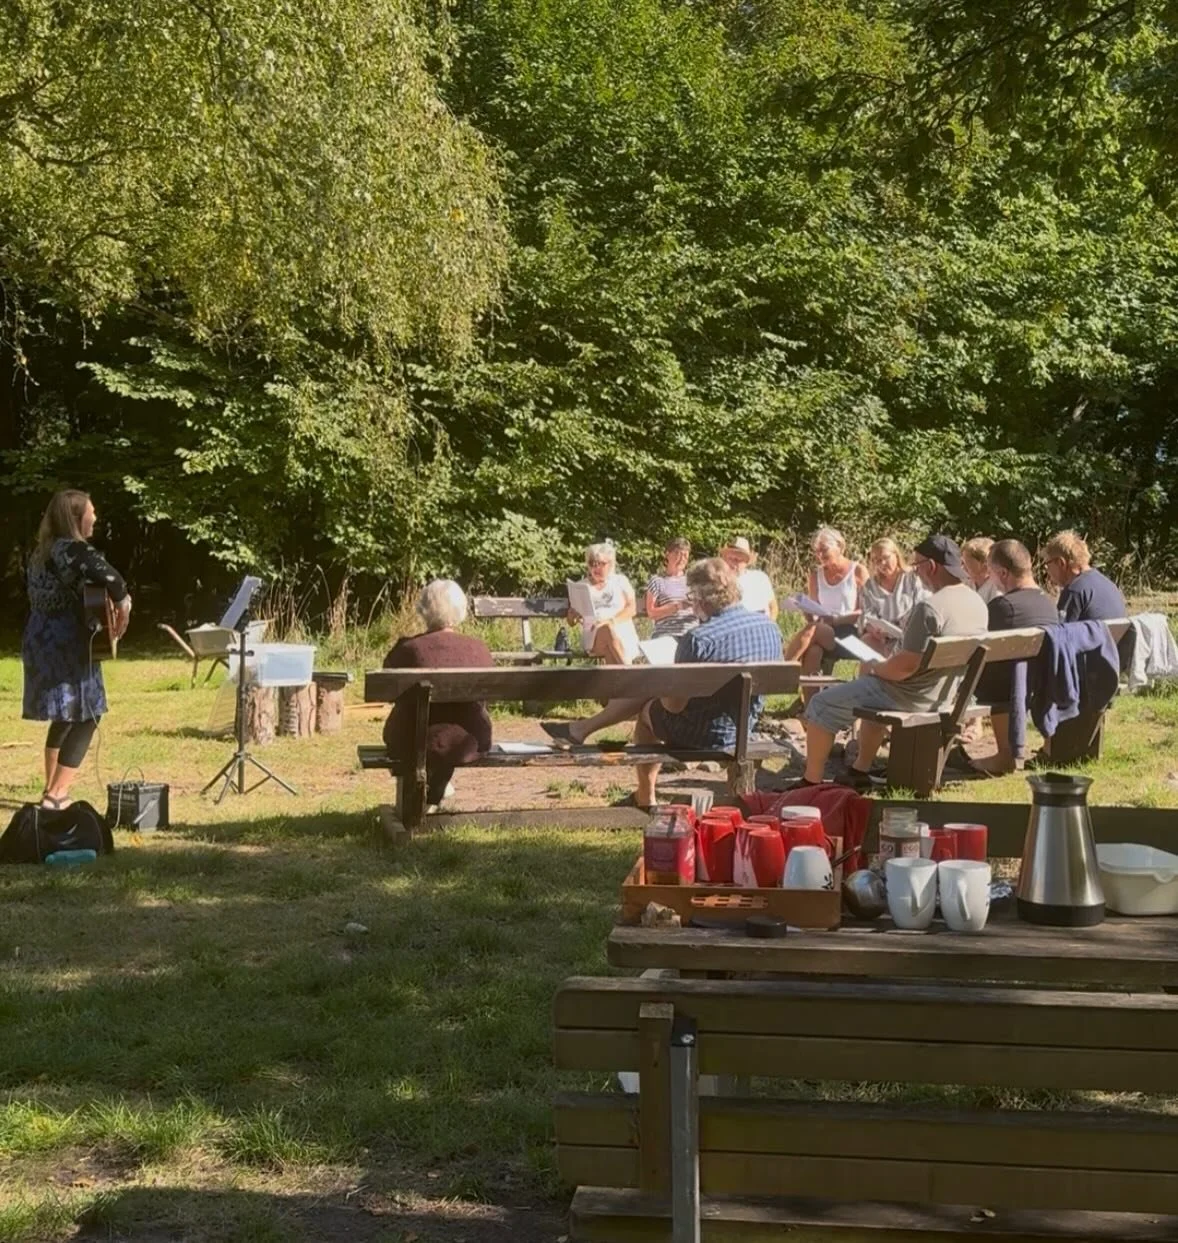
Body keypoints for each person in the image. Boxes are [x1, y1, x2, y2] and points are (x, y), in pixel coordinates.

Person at [541, 558, 783, 809]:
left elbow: (674, 707)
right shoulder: (769, 628)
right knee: (654, 685)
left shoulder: (699, 639)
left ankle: (644, 795)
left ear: (699, 598)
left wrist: (661, 685)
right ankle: (580, 729)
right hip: (743, 727)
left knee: (648, 709)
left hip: (703, 733)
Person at [798, 534, 988, 790]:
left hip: (910, 695)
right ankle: (859, 770)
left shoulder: (930, 608)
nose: (915, 571)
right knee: (868, 687)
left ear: (931, 567)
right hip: (945, 692)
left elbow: (903, 669)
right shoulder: (976, 602)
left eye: (918, 565)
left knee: (821, 704)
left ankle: (810, 781)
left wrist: (876, 667)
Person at [22, 489, 131, 810]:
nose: (95, 518)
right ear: (76, 518)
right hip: (68, 642)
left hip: (40, 639)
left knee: (64, 715)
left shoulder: (41, 551)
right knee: (88, 715)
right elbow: (113, 579)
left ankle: (50, 788)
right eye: (91, 512)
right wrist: (124, 605)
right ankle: (57, 796)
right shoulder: (73, 550)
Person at [382, 580, 492, 811]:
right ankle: (433, 794)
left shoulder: (408, 649)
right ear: (461, 610)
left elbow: (389, 691)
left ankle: (421, 802)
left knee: (422, 728)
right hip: (470, 739)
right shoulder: (478, 649)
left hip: (412, 739)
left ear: (423, 610)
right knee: (450, 728)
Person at [971, 540, 1062, 776]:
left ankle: (1005, 754)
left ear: (1003, 572)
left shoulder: (1002, 607)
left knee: (986, 675)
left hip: (1009, 687)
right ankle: (1050, 746)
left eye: (990, 572)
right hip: (1043, 682)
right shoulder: (1048, 604)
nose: (990, 578)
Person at [783, 527, 868, 673]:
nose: (820, 555)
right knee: (813, 651)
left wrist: (835, 620)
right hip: (823, 629)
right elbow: (814, 610)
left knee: (812, 630)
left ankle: (780, 670)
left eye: (824, 549)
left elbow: (865, 611)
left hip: (849, 630)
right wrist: (806, 610)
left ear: (839, 546)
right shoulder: (815, 574)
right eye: (816, 551)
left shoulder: (858, 571)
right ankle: (811, 696)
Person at [569, 542, 641, 664]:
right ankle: (630, 674)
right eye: (592, 563)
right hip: (594, 634)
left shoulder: (620, 581)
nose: (596, 568)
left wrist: (611, 621)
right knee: (606, 630)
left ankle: (618, 681)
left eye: (601, 564)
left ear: (611, 564)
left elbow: (632, 608)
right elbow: (571, 622)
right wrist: (572, 617)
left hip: (622, 630)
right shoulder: (581, 586)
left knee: (610, 649)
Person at [859, 537, 928, 654]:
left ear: (896, 555)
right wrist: (873, 629)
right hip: (881, 638)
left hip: (909, 638)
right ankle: (854, 672)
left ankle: (884, 669)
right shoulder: (870, 585)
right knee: (864, 644)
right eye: (876, 560)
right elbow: (867, 614)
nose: (882, 563)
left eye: (885, 558)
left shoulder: (912, 578)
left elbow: (922, 608)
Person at [1040, 530, 1127, 621]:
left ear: (1061, 563)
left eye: (1048, 563)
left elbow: (1060, 633)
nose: (1047, 570)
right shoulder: (1110, 585)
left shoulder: (1074, 591)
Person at [644, 537, 697, 640]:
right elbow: (651, 613)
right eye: (678, 554)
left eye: (685, 555)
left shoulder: (693, 581)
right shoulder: (657, 581)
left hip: (691, 633)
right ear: (667, 554)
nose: (682, 559)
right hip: (666, 633)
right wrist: (677, 606)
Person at [719, 537, 778, 621]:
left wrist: (770, 625)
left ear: (746, 563)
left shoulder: (760, 577)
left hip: (763, 625)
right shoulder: (718, 580)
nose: (734, 563)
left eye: (739, 560)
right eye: (730, 558)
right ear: (724, 559)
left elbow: (773, 607)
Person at [962, 537, 1002, 604]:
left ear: (985, 566)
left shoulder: (997, 589)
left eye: (967, 563)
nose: (962, 567)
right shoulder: (966, 581)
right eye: (963, 562)